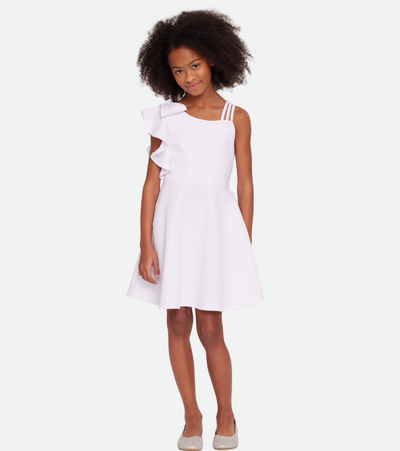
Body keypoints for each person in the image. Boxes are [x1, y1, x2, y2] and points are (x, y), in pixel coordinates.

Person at [126, 9, 265, 450]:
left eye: (195, 65)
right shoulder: (166, 117)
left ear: (214, 59)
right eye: (178, 71)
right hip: (173, 227)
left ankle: (226, 413)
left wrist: (241, 240)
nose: (188, 77)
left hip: (215, 229)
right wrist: (146, 244)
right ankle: (191, 415)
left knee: (210, 326)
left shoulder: (235, 117)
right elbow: (151, 183)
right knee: (177, 320)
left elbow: (245, 183)